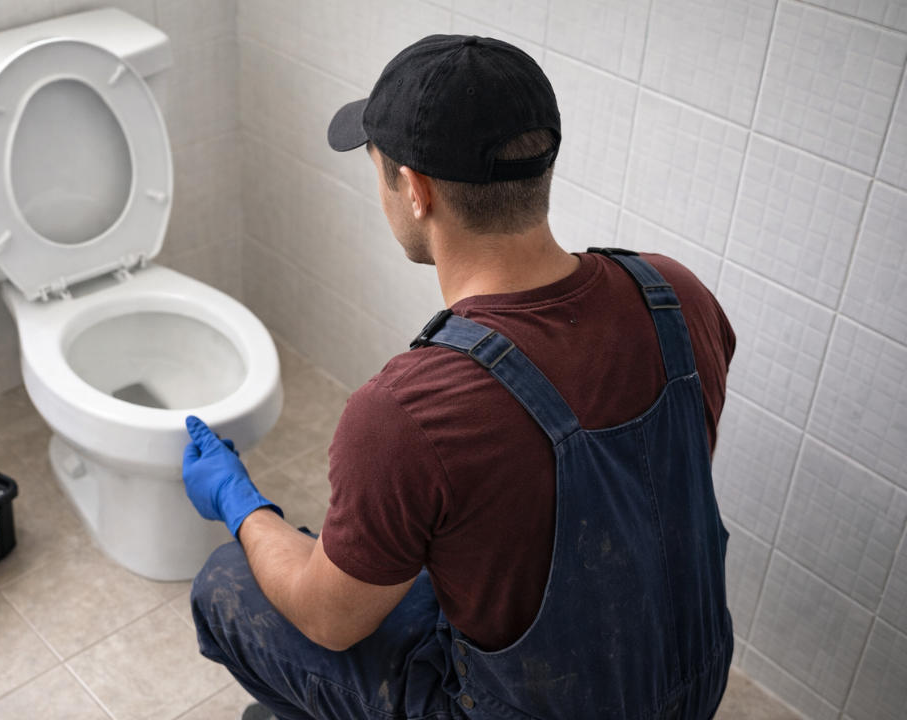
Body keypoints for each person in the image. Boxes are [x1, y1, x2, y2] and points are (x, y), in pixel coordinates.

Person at [181, 34, 736, 720]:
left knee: (228, 585)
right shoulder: (678, 297)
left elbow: (331, 621)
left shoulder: (408, 411)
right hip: (687, 687)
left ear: (414, 189)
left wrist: (242, 505)